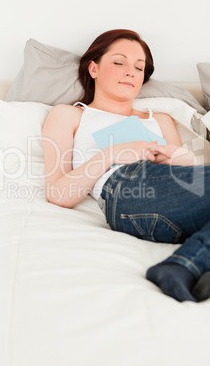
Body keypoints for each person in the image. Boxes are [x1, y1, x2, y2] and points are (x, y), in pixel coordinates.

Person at [42, 29, 210, 303]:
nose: (131, 72)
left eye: (139, 67)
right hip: (125, 191)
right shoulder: (70, 114)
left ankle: (182, 266)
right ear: (93, 68)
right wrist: (112, 153)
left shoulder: (162, 119)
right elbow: (58, 193)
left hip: (171, 204)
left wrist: (179, 158)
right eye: (119, 63)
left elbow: (187, 179)